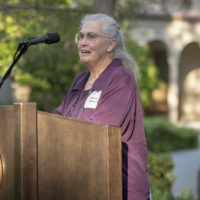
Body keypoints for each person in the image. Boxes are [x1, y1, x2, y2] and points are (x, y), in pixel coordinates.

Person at [53, 13, 150, 200]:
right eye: (80, 36)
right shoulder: (80, 80)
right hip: (85, 183)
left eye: (91, 36)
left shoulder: (121, 78)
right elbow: (56, 119)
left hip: (120, 187)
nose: (83, 42)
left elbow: (95, 132)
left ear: (110, 44)